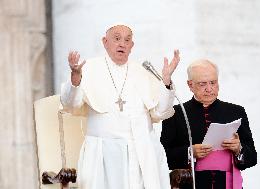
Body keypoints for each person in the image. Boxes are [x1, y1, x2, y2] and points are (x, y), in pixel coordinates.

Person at [60, 24, 180, 189]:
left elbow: (160, 112)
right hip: (102, 153)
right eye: (116, 39)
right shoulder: (89, 68)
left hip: (141, 152)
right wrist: (75, 77)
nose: (122, 43)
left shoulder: (143, 72)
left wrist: (166, 81)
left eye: (127, 40)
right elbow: (71, 104)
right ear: (105, 41)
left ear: (132, 46)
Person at [160, 59, 257, 189]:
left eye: (213, 82)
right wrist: (190, 152)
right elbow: (162, 156)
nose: (209, 89)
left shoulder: (236, 112)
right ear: (190, 85)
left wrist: (238, 149)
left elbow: (252, 158)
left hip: (227, 185)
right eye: (202, 84)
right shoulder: (175, 113)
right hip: (191, 184)